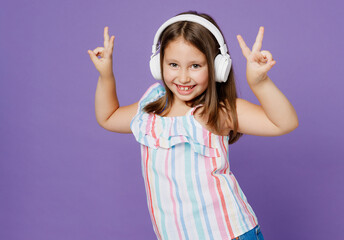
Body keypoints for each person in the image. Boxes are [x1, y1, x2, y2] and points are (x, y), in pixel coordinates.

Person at [88, 10, 298, 240]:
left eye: (195, 66)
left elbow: (284, 123)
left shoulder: (219, 110)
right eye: (174, 64)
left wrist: (260, 83)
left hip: (229, 234)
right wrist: (106, 75)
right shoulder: (151, 105)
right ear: (158, 65)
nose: (184, 77)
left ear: (217, 67)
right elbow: (108, 117)